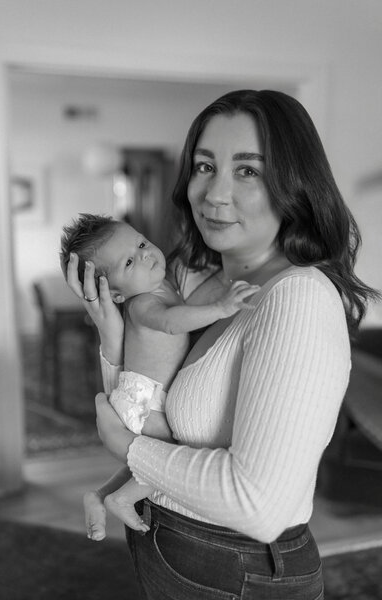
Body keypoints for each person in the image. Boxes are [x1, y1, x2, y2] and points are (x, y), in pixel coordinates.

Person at [66, 90, 379, 599]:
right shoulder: (201, 281)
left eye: (248, 171)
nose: (214, 193)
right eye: (205, 165)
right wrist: (109, 332)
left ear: (293, 186)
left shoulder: (297, 298)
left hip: (238, 569)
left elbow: (259, 505)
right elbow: (146, 385)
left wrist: (127, 448)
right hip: (173, 544)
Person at [60, 214, 258, 540]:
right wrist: (221, 309)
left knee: (142, 462)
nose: (145, 254)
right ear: (117, 295)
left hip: (143, 394)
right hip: (144, 399)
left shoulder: (161, 283)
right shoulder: (142, 305)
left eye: (140, 243)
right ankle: (122, 498)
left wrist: (226, 280)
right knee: (166, 455)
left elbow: (192, 298)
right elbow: (172, 322)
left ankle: (100, 495)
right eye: (129, 262)